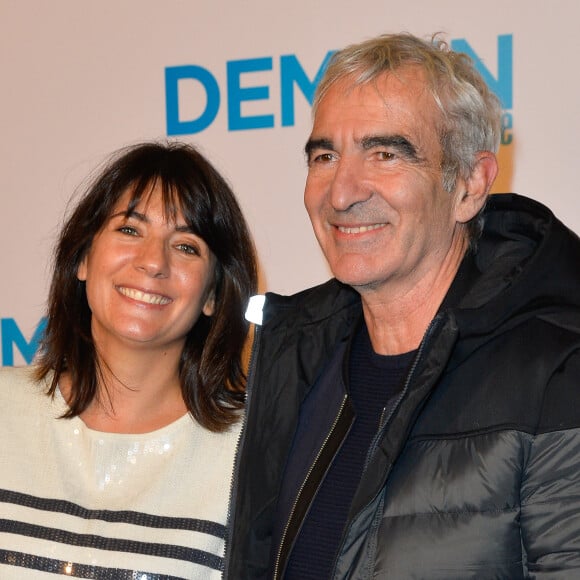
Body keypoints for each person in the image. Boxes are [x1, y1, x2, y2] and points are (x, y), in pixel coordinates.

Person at [226, 33, 580, 578]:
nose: (341, 193)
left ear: (468, 184)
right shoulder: (292, 361)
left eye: (385, 153)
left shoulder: (558, 371)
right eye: (325, 156)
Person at [0, 141, 257, 578]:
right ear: (83, 257)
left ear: (213, 294)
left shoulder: (249, 455)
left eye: (186, 246)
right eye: (130, 230)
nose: (153, 262)